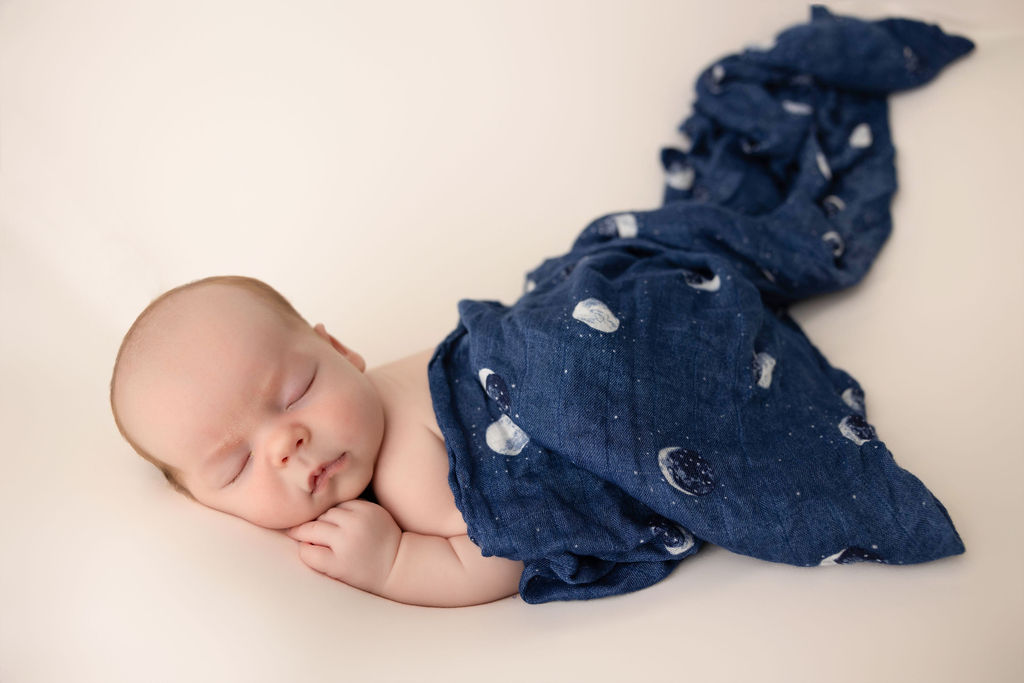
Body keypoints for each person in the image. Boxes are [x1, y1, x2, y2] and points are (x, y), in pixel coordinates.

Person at [109, 275, 524, 607]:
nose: (284, 446)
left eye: (297, 393)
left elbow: (514, 550)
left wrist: (393, 562)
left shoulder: (408, 475)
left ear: (339, 351)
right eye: (239, 465)